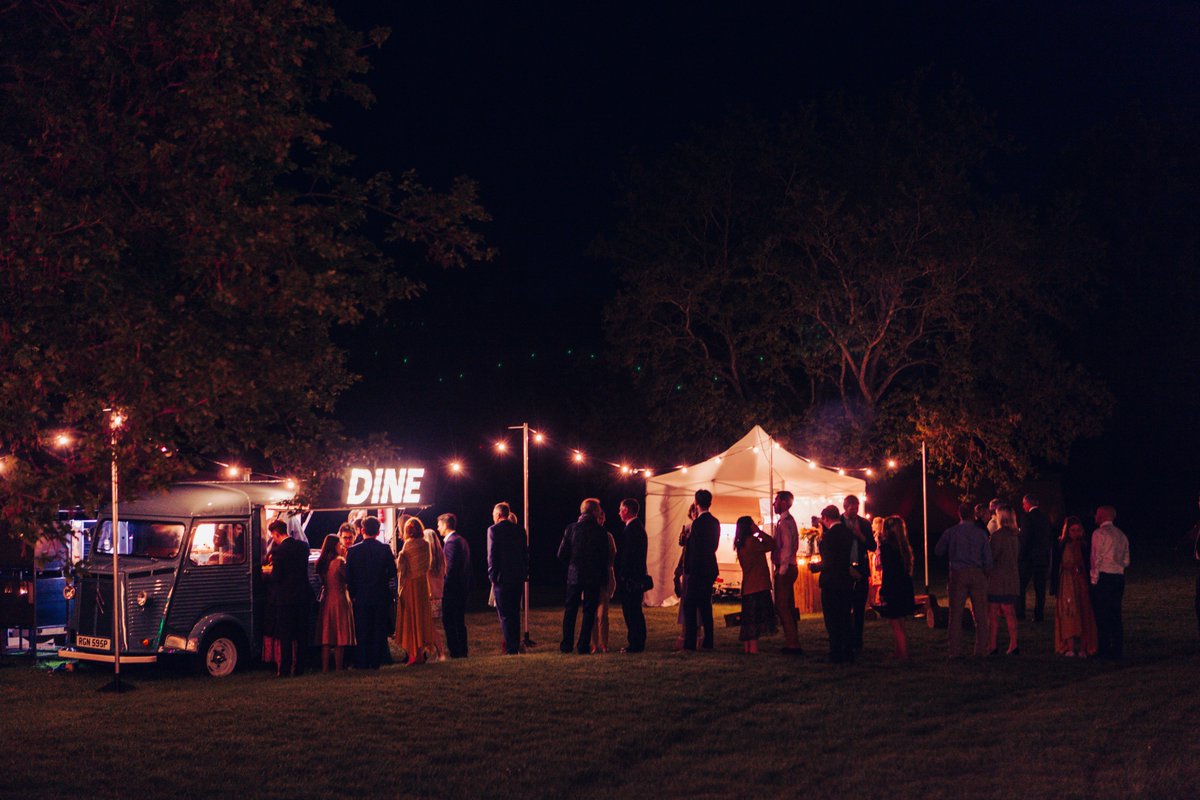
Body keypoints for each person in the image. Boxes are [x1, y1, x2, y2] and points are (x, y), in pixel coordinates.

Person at [935, 503, 993, 657]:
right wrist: (985, 574)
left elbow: (938, 550)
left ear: (959, 514)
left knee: (955, 614)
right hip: (977, 573)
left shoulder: (951, 532)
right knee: (981, 614)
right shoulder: (980, 533)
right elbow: (988, 558)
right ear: (973, 515)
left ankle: (954, 650)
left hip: (958, 573)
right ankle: (981, 650)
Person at [557, 498, 610, 654]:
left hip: (574, 575)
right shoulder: (601, 532)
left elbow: (561, 554)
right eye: (599, 509)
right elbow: (604, 557)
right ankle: (583, 645)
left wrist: (572, 564)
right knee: (589, 611)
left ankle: (566, 645)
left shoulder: (571, 529)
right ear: (594, 512)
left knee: (570, 610)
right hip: (593, 576)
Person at [344, 516, 397, 669]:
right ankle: (375, 661)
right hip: (380, 595)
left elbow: (349, 576)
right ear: (378, 531)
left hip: (361, 596)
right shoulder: (385, 549)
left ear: (362, 530)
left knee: (362, 630)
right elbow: (392, 572)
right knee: (378, 629)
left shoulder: (353, 551)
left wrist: (353, 594)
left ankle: (362, 661)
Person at [265, 519, 314, 677]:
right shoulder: (303, 547)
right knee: (302, 634)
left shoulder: (279, 551)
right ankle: (300, 667)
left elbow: (277, 576)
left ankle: (285, 669)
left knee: (286, 634)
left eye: (273, 536)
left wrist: (268, 573)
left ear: (276, 534)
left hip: (286, 598)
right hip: (303, 594)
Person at [812, 505, 855, 663]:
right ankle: (848, 650)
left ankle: (836, 651)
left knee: (832, 618)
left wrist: (815, 567)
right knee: (845, 616)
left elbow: (828, 562)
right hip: (845, 579)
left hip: (831, 581)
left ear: (826, 518)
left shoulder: (828, 537)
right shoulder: (848, 533)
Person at [488, 502, 528, 655]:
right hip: (517, 577)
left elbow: (491, 555)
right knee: (515, 612)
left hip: (501, 578)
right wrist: (524, 572)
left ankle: (511, 647)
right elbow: (525, 553)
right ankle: (515, 644)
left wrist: (492, 576)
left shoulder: (493, 530)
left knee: (504, 614)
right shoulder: (519, 530)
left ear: (498, 515)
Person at [1054, 516, 1098, 657]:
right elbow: (1056, 566)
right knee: (1069, 612)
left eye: (1078, 530)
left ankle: (1084, 647)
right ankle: (1070, 646)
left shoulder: (1084, 545)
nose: (1076, 533)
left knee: (1083, 611)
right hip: (1067, 583)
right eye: (1073, 530)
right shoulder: (1061, 545)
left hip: (1081, 582)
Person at [1090, 505, 1130, 659]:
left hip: (1104, 577)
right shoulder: (1121, 535)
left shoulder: (1099, 534)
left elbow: (1096, 558)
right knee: (1115, 613)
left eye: (1097, 514)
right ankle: (1117, 648)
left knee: (1102, 614)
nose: (1095, 517)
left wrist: (1094, 580)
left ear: (1101, 516)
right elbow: (1126, 561)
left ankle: (1104, 648)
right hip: (1118, 577)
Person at [683, 489, 720, 651]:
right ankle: (708, 641)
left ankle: (690, 643)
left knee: (690, 606)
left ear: (696, 503)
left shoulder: (697, 524)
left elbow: (695, 550)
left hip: (698, 569)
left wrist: (690, 570)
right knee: (706, 605)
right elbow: (714, 546)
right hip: (710, 567)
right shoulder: (715, 522)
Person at [394, 518, 434, 665]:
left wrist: (399, 558)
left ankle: (413, 654)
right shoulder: (426, 544)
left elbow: (402, 568)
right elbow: (427, 564)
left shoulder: (408, 545)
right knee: (422, 618)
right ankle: (421, 653)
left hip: (410, 585)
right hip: (422, 584)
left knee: (411, 619)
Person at [734, 516, 776, 653]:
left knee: (748, 619)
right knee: (756, 618)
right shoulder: (752, 541)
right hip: (758, 585)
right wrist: (759, 532)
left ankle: (748, 647)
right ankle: (753, 647)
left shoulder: (740, 544)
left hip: (748, 585)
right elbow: (771, 544)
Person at [877, 516, 916, 661]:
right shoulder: (904, 546)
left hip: (893, 586)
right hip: (904, 585)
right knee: (900, 620)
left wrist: (883, 590)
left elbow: (888, 571)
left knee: (894, 621)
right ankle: (898, 650)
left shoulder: (887, 547)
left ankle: (903, 653)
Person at [316, 533, 355, 672]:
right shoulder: (340, 562)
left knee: (326, 636)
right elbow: (348, 578)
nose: (342, 546)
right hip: (339, 598)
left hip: (326, 598)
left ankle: (325, 668)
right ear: (335, 546)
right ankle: (338, 667)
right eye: (340, 544)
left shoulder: (321, 562)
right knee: (339, 635)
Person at [771, 491, 803, 655]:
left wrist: (781, 570)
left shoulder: (785, 523)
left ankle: (792, 643)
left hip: (786, 568)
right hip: (791, 566)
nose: (774, 503)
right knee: (788, 606)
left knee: (782, 606)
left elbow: (788, 547)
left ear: (783, 502)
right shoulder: (787, 521)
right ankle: (792, 639)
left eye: (776, 500)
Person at [842, 495, 876, 653]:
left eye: (856, 508)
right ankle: (846, 639)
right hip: (844, 570)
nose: (855, 511)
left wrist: (860, 535)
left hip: (861, 569)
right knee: (844, 606)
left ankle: (858, 640)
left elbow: (872, 546)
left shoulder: (864, 523)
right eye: (852, 508)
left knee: (859, 607)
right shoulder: (839, 523)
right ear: (845, 507)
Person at [987, 505, 1021, 656]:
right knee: (1010, 612)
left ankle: (992, 644)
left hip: (998, 579)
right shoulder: (1015, 536)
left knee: (993, 612)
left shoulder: (998, 536)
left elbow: (991, 557)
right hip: (1012, 577)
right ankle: (1014, 643)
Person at [616, 498, 648, 653]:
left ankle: (635, 643)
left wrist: (623, 575)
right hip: (637, 576)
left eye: (620, 509)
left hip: (631, 578)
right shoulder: (638, 527)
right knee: (635, 610)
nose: (619, 513)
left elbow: (628, 556)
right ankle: (638, 640)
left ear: (626, 510)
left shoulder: (632, 529)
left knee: (631, 611)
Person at [439, 513, 471, 658]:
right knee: (459, 620)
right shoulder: (461, 540)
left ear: (445, 525)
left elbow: (450, 568)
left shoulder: (451, 543)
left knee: (449, 620)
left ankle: (456, 651)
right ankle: (462, 650)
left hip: (452, 589)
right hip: (462, 587)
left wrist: (444, 585)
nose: (437, 528)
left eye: (439, 525)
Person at [1018, 494, 1053, 622]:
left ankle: (1020, 613)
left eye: (1023, 503)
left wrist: (1021, 556)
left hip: (1029, 558)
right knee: (1040, 588)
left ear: (1028, 504)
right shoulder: (1045, 517)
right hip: (1042, 557)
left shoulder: (1027, 517)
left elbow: (1026, 539)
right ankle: (1039, 614)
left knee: (1021, 586)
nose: (1022, 506)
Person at [673, 502, 701, 650]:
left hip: (696, 568)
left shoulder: (701, 527)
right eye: (692, 512)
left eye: (696, 511)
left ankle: (696, 635)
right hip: (686, 566)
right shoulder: (688, 527)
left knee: (695, 603)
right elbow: (683, 548)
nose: (694, 514)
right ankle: (684, 634)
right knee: (686, 601)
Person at [590, 525, 618, 653]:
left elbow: (612, 554)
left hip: (603, 578)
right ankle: (594, 643)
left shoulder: (607, 536)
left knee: (602, 614)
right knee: (592, 615)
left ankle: (603, 643)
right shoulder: (587, 534)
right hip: (590, 579)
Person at [424, 526, 447, 661]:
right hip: (439, 596)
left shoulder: (428, 558)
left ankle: (440, 653)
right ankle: (434, 652)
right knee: (431, 626)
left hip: (429, 595)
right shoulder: (441, 557)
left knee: (429, 627)